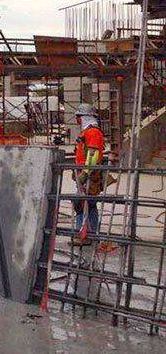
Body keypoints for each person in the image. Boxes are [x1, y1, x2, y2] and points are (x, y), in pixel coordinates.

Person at [72, 103, 105, 246]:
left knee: (84, 203)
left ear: (84, 117)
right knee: (86, 204)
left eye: (78, 116)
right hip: (85, 173)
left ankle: (85, 234)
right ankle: (88, 234)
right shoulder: (86, 132)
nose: (77, 120)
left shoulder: (93, 132)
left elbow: (93, 154)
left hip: (90, 175)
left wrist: (85, 173)